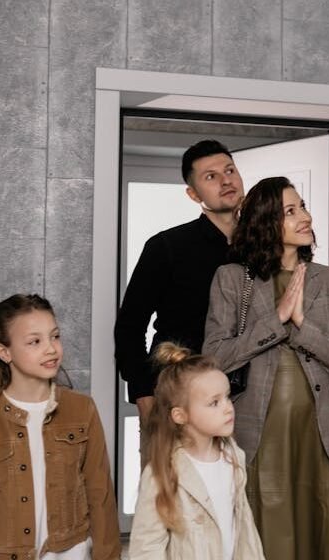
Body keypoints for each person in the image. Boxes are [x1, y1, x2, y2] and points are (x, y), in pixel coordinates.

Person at [203, 176, 329, 559]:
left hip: (320, 435)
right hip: (259, 435)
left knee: (322, 535)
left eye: (302, 206)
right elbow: (215, 358)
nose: (304, 216)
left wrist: (302, 324)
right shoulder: (231, 279)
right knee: (267, 537)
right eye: (290, 211)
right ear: (266, 222)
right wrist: (277, 319)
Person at [0, 294, 121, 560]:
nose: (51, 349)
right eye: (34, 341)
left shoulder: (82, 410)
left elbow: (101, 497)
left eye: (55, 336)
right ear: (4, 352)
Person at [114, 139, 245, 459]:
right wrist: (144, 396)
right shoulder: (167, 246)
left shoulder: (262, 248)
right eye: (211, 176)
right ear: (193, 194)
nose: (226, 180)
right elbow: (130, 325)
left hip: (247, 399)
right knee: (173, 485)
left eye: (230, 170)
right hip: (179, 394)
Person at [129, 342, 266, 560]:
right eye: (214, 403)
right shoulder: (162, 473)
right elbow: (146, 547)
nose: (228, 408)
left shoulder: (233, 456)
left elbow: (245, 529)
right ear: (180, 415)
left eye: (227, 396)